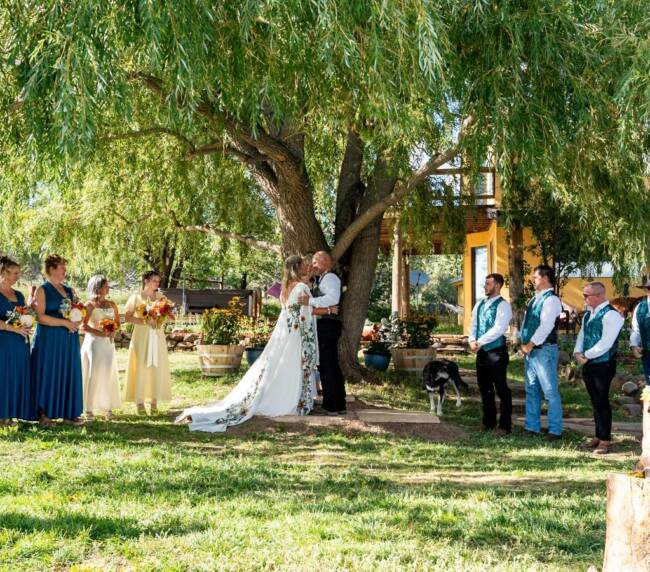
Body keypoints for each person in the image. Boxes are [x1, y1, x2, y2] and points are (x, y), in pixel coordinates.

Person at [176, 255, 338, 432]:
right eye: (305, 265)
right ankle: (292, 401)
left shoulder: (285, 288)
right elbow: (307, 313)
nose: (308, 267)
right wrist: (330, 309)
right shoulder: (300, 288)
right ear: (298, 269)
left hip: (286, 334)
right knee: (293, 367)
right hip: (297, 336)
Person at [31, 254, 84, 426]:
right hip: (49, 339)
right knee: (49, 371)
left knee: (67, 370)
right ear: (52, 269)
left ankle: (68, 412)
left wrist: (77, 318)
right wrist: (64, 322)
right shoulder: (42, 290)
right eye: (62, 267)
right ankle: (44, 413)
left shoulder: (68, 290)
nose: (65, 270)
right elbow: (40, 317)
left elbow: (76, 310)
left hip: (68, 339)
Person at [573, 282, 623, 454]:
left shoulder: (611, 315)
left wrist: (586, 355)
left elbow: (606, 343)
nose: (584, 299)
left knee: (602, 401)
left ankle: (605, 440)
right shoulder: (588, 315)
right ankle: (598, 434)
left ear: (600, 295)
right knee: (595, 401)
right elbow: (582, 334)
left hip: (603, 363)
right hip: (589, 362)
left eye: (587, 295)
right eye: (584, 295)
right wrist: (577, 352)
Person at [519, 264, 563, 440]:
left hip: (544, 350)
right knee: (531, 389)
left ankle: (555, 430)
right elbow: (528, 322)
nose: (533, 280)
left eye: (535, 277)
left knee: (550, 391)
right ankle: (532, 427)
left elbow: (546, 326)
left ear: (545, 278)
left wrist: (530, 344)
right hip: (531, 350)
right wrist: (521, 339)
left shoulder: (551, 300)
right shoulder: (535, 299)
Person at [300, 251, 346, 415]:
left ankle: (334, 405)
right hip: (324, 325)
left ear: (326, 262)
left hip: (328, 326)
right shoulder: (320, 280)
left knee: (328, 364)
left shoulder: (331, 278)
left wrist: (310, 301)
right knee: (327, 364)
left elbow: (333, 299)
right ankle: (334, 402)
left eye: (315, 262)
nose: (313, 266)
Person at [468, 273, 513, 436]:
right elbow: (473, 324)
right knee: (484, 388)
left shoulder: (503, 305)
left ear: (498, 286)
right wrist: (472, 340)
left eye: (488, 284)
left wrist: (479, 342)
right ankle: (488, 422)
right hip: (482, 353)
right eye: (485, 284)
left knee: (501, 389)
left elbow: (499, 329)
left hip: (496, 353)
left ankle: (505, 426)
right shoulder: (479, 304)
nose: (485, 286)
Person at [123, 271, 171, 415]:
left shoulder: (162, 298)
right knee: (141, 365)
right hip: (141, 336)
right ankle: (139, 402)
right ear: (146, 281)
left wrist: (160, 319)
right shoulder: (136, 297)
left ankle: (154, 402)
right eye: (155, 280)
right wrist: (145, 321)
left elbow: (167, 316)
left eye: (158, 281)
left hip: (156, 334)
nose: (157, 283)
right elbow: (127, 317)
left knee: (156, 366)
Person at [0, 256, 35, 424]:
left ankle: (11, 413)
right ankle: (2, 415)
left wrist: (28, 320)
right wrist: (13, 328)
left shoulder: (19, 294)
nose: (17, 276)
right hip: (4, 341)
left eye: (18, 273)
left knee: (17, 376)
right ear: (4, 273)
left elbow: (24, 313)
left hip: (21, 342)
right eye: (14, 273)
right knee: (4, 376)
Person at [80, 275, 121, 420]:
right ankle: (88, 408)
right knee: (94, 373)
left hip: (108, 344)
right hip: (94, 343)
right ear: (97, 287)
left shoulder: (112, 304)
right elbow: (83, 326)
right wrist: (100, 333)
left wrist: (113, 330)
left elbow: (117, 322)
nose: (108, 288)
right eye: (105, 286)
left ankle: (106, 406)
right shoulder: (89, 305)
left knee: (108, 372)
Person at [630, 274, 650, 386]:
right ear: (645, 289)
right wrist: (634, 345)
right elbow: (636, 330)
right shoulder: (640, 307)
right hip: (647, 354)